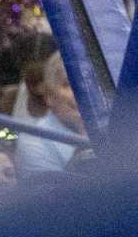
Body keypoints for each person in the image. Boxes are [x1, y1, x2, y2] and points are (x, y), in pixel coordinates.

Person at [16, 49, 86, 177]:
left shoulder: (120, 127)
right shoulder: (33, 142)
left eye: (87, 81)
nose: (82, 90)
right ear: (49, 96)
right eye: (68, 84)